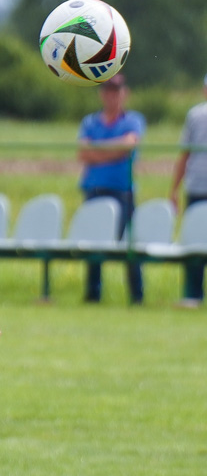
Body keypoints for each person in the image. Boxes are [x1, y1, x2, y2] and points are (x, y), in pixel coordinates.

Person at [77, 73, 145, 304]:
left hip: (122, 190)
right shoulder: (90, 121)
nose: (112, 96)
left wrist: (98, 151)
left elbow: (128, 146)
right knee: (94, 244)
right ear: (101, 94)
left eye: (116, 91)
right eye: (107, 91)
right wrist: (113, 151)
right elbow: (84, 153)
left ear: (124, 93)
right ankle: (92, 294)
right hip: (94, 189)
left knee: (129, 245)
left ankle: (137, 296)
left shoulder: (133, 120)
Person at [169, 74, 207, 308]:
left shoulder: (195, 114)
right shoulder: (195, 115)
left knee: (196, 241)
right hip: (196, 185)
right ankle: (192, 294)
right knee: (194, 242)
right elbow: (185, 154)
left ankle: (193, 294)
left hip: (195, 185)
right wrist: (174, 188)